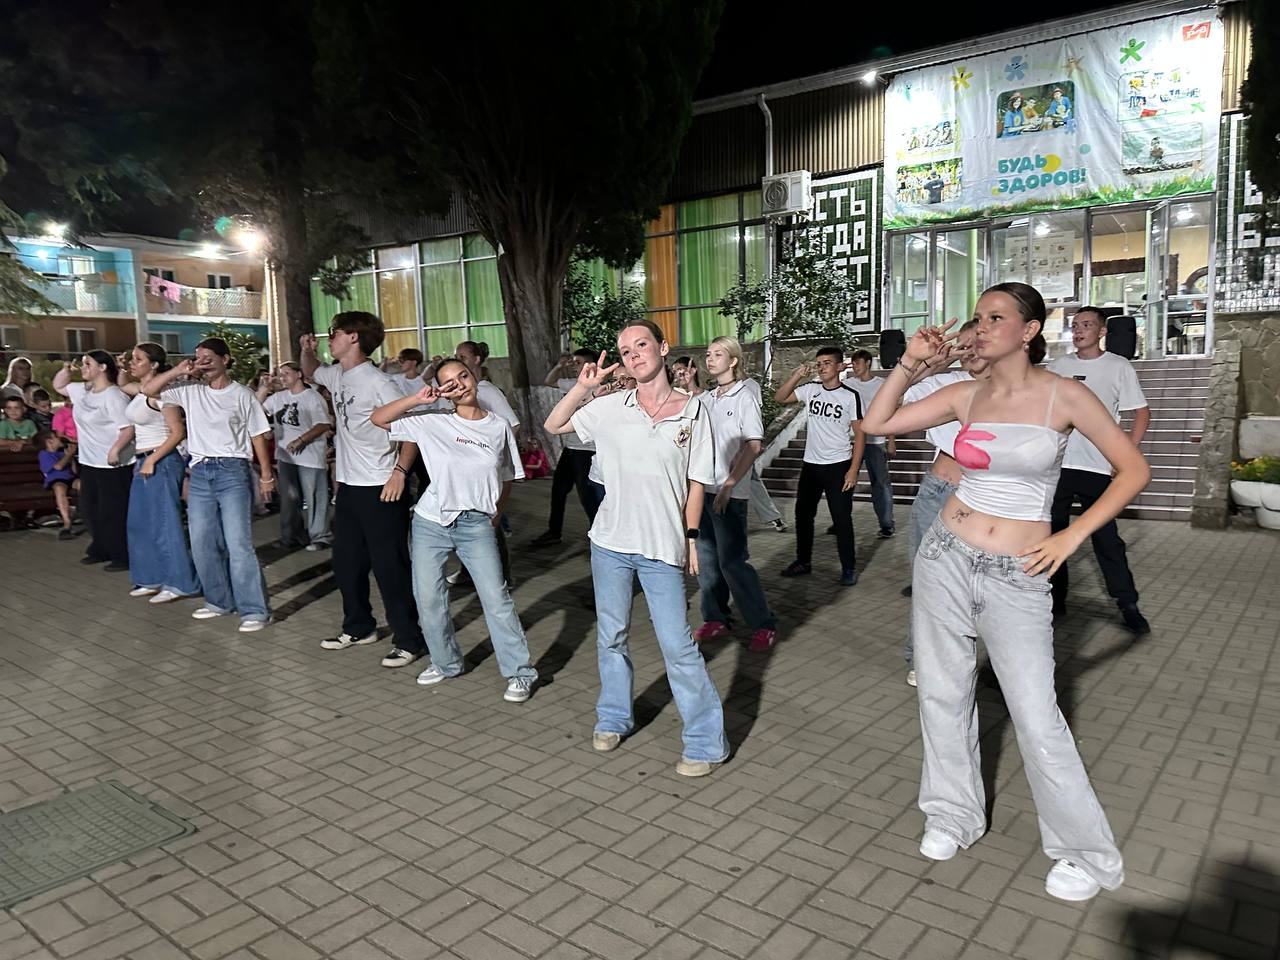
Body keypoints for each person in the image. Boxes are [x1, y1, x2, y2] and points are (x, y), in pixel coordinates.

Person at [861, 281, 1144, 902]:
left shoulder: (1066, 395)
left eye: (996, 318)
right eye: (979, 318)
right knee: (942, 691)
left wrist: (1073, 536)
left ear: (1029, 330)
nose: (981, 328)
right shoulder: (966, 394)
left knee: (1036, 712)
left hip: (1018, 571)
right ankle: (951, 815)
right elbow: (876, 423)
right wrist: (910, 363)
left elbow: (1133, 470)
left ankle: (1082, 852)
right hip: (946, 554)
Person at [544, 322, 728, 778]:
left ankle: (706, 742)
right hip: (609, 543)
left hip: (661, 545)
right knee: (611, 636)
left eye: (641, 344)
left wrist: (691, 538)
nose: (633, 355)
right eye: (625, 351)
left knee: (678, 645)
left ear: (663, 348)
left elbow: (697, 483)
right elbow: (555, 425)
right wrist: (584, 387)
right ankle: (613, 718)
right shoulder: (610, 407)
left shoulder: (694, 411)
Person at [371, 358, 539, 702]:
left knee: (497, 600)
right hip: (430, 523)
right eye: (449, 381)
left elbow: (507, 476)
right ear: (443, 390)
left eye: (463, 375)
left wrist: (494, 516)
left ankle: (520, 673)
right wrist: (418, 399)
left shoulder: (498, 427)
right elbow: (379, 418)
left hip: (476, 524)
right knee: (429, 599)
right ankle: (446, 663)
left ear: (474, 377)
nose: (459, 384)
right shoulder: (433, 421)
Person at [300, 314, 428, 666]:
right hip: (350, 487)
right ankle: (359, 627)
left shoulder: (380, 383)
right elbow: (311, 370)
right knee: (347, 564)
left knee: (390, 568)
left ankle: (409, 639)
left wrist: (400, 473)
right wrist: (306, 350)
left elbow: (412, 431)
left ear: (354, 337)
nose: (329, 338)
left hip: (381, 487)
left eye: (334, 333)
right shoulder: (337, 374)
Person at [143, 338, 274, 632]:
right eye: (198, 356)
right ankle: (218, 601)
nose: (202, 361)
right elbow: (148, 390)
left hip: (233, 471)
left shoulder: (242, 394)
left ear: (225, 359)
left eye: (208, 356)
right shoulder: (190, 390)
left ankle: (255, 609)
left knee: (238, 544)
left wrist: (266, 475)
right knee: (202, 542)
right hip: (200, 471)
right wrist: (178, 370)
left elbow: (257, 435)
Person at [1047, 308, 1151, 633]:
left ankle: (1127, 604)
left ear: (1102, 332)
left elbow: (1141, 413)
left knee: (1106, 540)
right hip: (1058, 465)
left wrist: (1125, 455)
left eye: (1087, 325)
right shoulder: (1058, 367)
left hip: (1098, 466)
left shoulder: (1118, 366)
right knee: (1051, 533)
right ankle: (1055, 600)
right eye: (1075, 325)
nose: (1079, 330)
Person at [898, 320, 988, 685]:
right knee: (928, 580)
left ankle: (969, 659)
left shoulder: (1016, 390)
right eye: (961, 346)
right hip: (938, 491)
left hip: (984, 498)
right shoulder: (946, 383)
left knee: (976, 584)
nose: (967, 351)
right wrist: (926, 365)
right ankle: (922, 658)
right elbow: (890, 406)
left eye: (975, 343)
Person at [693, 337, 778, 652]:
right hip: (703, 489)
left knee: (732, 562)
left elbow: (753, 445)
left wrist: (729, 484)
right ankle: (715, 617)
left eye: (718, 354)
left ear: (733, 361)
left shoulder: (745, 395)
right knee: (707, 561)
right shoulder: (707, 399)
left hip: (729, 493)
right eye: (708, 353)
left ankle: (763, 624)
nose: (710, 359)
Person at [774, 347, 865, 585]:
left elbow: (860, 435)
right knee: (803, 515)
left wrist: (853, 470)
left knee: (841, 518)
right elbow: (780, 398)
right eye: (819, 363)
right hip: (811, 465)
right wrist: (797, 375)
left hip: (838, 465)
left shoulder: (849, 396)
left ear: (839, 367)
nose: (822, 367)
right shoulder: (811, 389)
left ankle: (848, 567)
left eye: (827, 363)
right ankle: (803, 561)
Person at [120, 342, 202, 605]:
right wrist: (123, 365)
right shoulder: (142, 390)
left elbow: (178, 433)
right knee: (140, 523)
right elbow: (123, 383)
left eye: (138, 359)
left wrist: (153, 460)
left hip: (161, 460)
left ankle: (180, 582)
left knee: (165, 524)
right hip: (143, 459)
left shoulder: (163, 394)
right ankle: (151, 577)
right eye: (132, 358)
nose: (132, 363)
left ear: (154, 364)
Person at [52, 352, 135, 571]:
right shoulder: (83, 391)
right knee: (90, 509)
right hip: (89, 461)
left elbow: (128, 428)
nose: (83, 367)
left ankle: (122, 555)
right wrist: (66, 369)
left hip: (113, 464)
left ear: (103, 367)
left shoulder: (114, 395)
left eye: (88, 364)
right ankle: (100, 548)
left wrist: (116, 449)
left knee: (113, 511)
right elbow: (59, 385)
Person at [259, 362, 334, 551]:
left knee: (314, 496)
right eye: (280, 374)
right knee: (289, 498)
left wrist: (302, 440)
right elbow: (255, 409)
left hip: (309, 457)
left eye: (286, 373)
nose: (282, 377)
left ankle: (320, 536)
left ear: (299, 374)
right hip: (286, 456)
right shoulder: (278, 397)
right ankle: (291, 535)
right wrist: (264, 389)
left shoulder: (312, 397)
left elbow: (323, 424)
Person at [531, 349, 603, 547]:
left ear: (591, 365)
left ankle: (599, 536)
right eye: (574, 362)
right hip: (570, 448)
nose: (574, 366)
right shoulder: (573, 384)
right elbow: (549, 381)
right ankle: (554, 532)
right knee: (558, 490)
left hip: (587, 450)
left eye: (578, 362)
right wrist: (559, 366)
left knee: (587, 495)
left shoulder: (600, 387)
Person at [845, 349, 896, 539]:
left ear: (867, 363)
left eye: (857, 363)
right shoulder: (848, 384)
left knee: (881, 484)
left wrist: (891, 440)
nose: (855, 367)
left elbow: (889, 412)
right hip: (852, 441)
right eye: (853, 364)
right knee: (845, 482)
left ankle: (887, 524)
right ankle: (840, 520)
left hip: (875, 441)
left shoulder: (881, 384)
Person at [38, 431, 78, 539]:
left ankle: (88, 513)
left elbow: (74, 471)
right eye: (56, 437)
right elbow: (58, 467)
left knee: (83, 484)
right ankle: (67, 522)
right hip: (56, 479)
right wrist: (68, 455)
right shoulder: (44, 454)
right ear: (49, 442)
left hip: (70, 478)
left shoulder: (62, 453)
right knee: (60, 488)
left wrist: (71, 457)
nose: (60, 438)